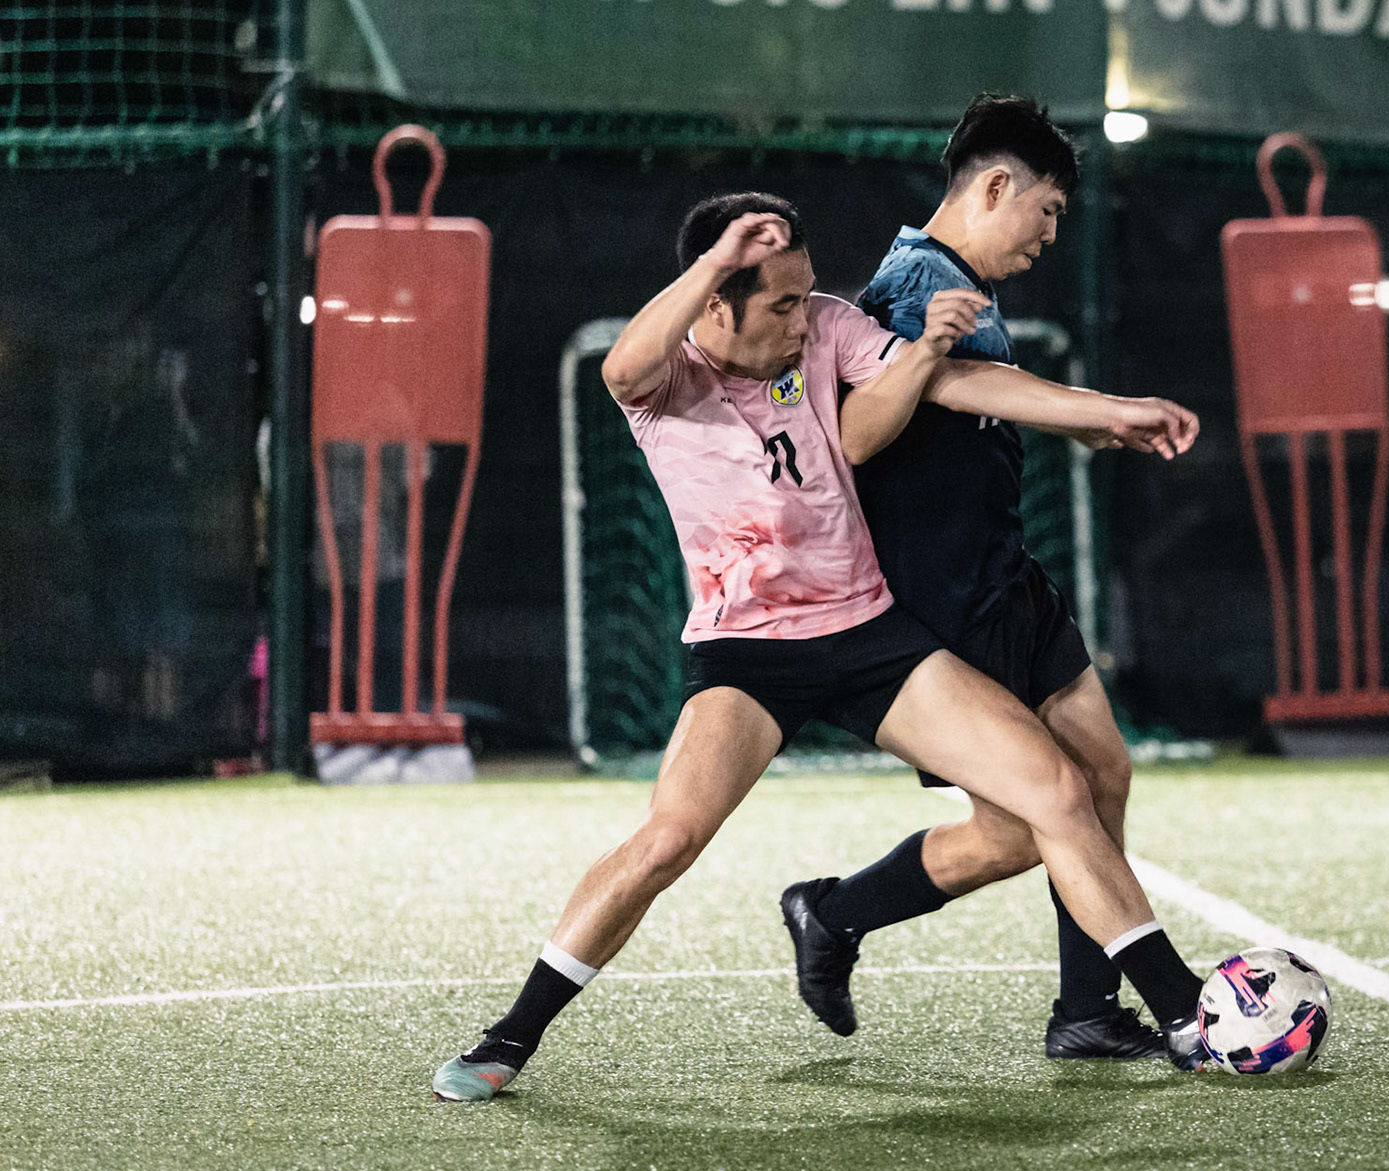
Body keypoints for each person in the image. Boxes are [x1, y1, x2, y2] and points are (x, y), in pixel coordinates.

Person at [431, 193, 1209, 1101]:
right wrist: (716, 259)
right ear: (717, 298)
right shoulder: (670, 379)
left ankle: (1188, 1015)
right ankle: (508, 1040)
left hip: (871, 633)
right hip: (748, 654)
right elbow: (626, 362)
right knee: (668, 839)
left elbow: (957, 384)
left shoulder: (830, 329)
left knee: (1060, 791)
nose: (805, 320)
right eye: (781, 303)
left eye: (807, 296)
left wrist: (1105, 410)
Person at [779, 96, 1195, 1061]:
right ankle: (835, 914)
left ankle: (1086, 1013)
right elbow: (942, 395)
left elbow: (968, 407)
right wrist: (1110, 407)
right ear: (996, 186)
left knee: (1103, 776)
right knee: (1026, 823)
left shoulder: (961, 284)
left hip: (1005, 581)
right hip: (939, 604)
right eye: (1047, 210)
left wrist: (1084, 420)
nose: (1053, 234)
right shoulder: (911, 284)